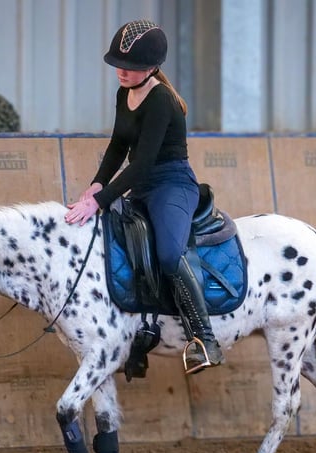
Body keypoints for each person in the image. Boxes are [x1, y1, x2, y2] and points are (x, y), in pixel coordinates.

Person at [64, 19, 223, 374]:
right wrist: (96, 183)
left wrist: (99, 201)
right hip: (142, 182)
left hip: (171, 183)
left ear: (151, 68)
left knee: (168, 254)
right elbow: (119, 144)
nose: (122, 72)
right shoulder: (124, 92)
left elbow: (144, 163)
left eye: (131, 67)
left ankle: (204, 339)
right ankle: (137, 333)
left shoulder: (162, 100)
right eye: (119, 65)